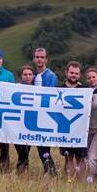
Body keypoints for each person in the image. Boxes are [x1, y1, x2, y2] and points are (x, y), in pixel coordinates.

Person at [59, 61, 88, 182]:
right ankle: (70, 181)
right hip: (65, 129)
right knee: (68, 157)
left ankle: (81, 182)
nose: (73, 75)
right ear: (66, 72)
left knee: (81, 158)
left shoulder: (85, 90)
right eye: (71, 72)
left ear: (79, 75)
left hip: (81, 129)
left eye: (76, 73)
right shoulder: (58, 89)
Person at [32, 47, 59, 176]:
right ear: (34, 58)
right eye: (37, 57)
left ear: (46, 59)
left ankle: (51, 172)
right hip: (34, 116)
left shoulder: (51, 76)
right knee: (39, 147)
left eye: (42, 57)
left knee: (43, 147)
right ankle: (49, 171)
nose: (39, 59)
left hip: (45, 116)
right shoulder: (34, 76)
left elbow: (50, 97)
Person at [85, 67, 97, 183]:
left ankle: (94, 178)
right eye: (89, 78)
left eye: (93, 77)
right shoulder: (84, 91)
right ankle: (92, 180)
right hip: (85, 129)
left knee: (92, 157)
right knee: (85, 158)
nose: (91, 79)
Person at [15, 64, 35, 173]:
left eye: (30, 74)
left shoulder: (38, 89)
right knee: (20, 150)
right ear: (21, 76)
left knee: (26, 150)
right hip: (17, 124)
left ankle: (22, 171)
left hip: (30, 125)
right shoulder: (15, 88)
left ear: (33, 76)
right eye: (25, 74)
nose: (27, 76)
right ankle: (21, 170)